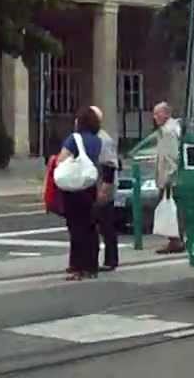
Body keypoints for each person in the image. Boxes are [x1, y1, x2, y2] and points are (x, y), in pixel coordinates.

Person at [56, 107, 110, 279]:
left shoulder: (74, 138)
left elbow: (61, 159)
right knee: (89, 227)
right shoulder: (97, 140)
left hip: (74, 188)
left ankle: (78, 267)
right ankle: (91, 267)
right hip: (89, 185)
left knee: (76, 228)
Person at [90, 106, 121, 271]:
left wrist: (105, 189)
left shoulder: (103, 139)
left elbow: (109, 166)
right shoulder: (93, 138)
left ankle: (111, 259)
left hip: (103, 188)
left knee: (106, 225)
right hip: (96, 186)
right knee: (96, 225)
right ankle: (95, 259)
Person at [152, 101, 185, 254]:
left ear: (166, 114)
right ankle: (176, 239)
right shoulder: (170, 129)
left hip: (170, 178)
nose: (155, 117)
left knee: (170, 209)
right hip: (171, 176)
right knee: (170, 209)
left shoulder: (168, 131)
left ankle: (175, 240)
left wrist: (167, 178)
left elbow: (171, 156)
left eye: (157, 114)